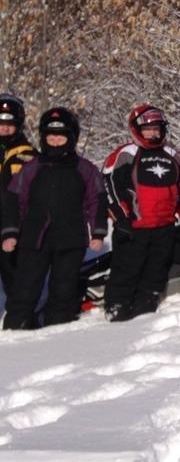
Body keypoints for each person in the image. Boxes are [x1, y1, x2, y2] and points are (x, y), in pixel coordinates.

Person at [1, 108, 107, 329]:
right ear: (43, 137)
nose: (56, 142)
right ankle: (16, 329)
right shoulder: (32, 167)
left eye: (61, 137)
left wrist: (97, 232)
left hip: (70, 240)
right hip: (34, 239)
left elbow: (96, 200)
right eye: (51, 137)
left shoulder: (85, 169)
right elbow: (14, 200)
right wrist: (11, 232)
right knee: (25, 288)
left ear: (72, 138)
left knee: (63, 290)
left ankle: (55, 336)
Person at [102, 105, 180, 321]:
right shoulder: (125, 154)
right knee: (126, 273)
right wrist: (122, 217)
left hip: (164, 228)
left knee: (155, 273)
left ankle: (143, 314)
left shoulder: (172, 155)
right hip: (133, 228)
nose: (153, 133)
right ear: (137, 129)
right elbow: (109, 185)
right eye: (148, 129)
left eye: (156, 128)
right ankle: (116, 311)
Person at [0, 94, 37, 299]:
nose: (4, 128)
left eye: (10, 124)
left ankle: (21, 316)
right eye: (0, 123)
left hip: (17, 227)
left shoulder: (27, 156)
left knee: (15, 276)